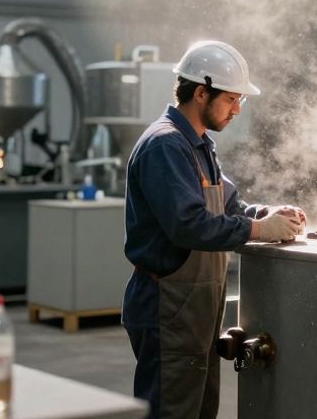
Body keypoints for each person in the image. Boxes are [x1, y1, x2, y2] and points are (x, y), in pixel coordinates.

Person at [122, 40, 304, 419]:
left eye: (241, 101)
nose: (237, 110)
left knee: (199, 409)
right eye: (232, 99)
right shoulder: (165, 146)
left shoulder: (199, 145)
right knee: (172, 410)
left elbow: (230, 207)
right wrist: (259, 230)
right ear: (201, 92)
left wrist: (269, 215)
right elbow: (189, 225)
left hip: (194, 308)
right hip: (166, 307)